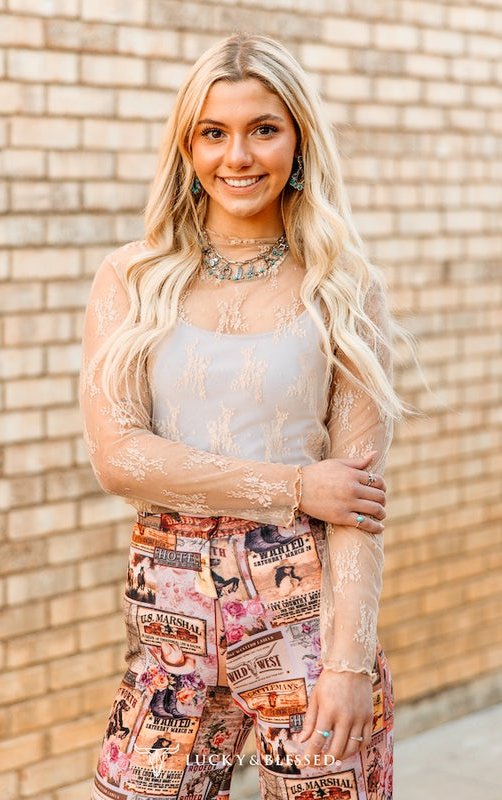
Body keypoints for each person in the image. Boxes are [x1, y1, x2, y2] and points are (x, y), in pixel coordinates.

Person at [80, 32, 402, 800]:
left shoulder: (342, 286)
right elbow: (119, 458)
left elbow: (356, 503)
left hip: (305, 624)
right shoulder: (134, 275)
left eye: (263, 128)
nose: (239, 156)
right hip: (169, 624)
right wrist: (296, 486)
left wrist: (348, 663)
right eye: (213, 132)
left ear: (297, 137)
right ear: (187, 146)